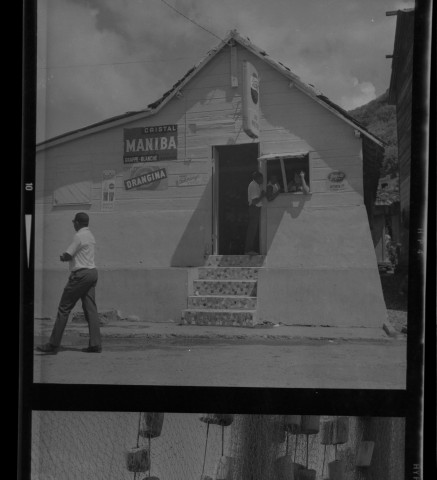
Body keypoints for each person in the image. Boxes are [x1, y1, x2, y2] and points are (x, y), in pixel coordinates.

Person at [36, 212, 102, 354]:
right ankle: (95, 345)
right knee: (91, 310)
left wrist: (62, 257)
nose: (73, 224)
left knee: (64, 308)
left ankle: (53, 345)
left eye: (74, 222)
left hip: (80, 275)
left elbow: (68, 254)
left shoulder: (79, 236)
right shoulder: (91, 236)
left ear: (78, 223)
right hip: (92, 273)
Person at [244, 171, 265, 255]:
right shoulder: (253, 185)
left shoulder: (256, 185)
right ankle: (248, 250)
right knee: (252, 230)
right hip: (254, 208)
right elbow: (254, 201)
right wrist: (262, 195)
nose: (263, 179)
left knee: (253, 230)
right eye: (261, 178)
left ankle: (249, 249)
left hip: (255, 209)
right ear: (257, 178)